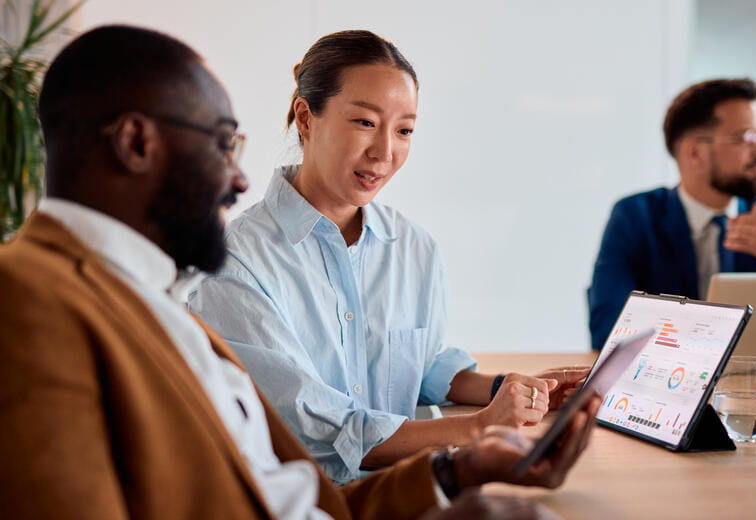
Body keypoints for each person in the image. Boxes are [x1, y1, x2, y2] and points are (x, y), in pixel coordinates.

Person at [0, 24, 601, 520]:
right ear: (135, 143)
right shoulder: (28, 297)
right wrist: (466, 438)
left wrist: (459, 469)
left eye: (405, 129)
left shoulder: (153, 298)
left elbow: (292, 501)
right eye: (221, 145)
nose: (238, 182)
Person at [188, 30, 589, 484]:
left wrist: (521, 390)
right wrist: (478, 427)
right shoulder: (232, 262)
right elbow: (320, 430)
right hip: (305, 503)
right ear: (305, 117)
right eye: (364, 122)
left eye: (404, 130)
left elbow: (423, 366)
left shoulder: (412, 247)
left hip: (405, 490)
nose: (384, 152)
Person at [587, 78, 756, 350]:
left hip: (755, 386)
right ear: (694, 152)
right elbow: (607, 330)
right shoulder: (635, 217)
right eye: (747, 138)